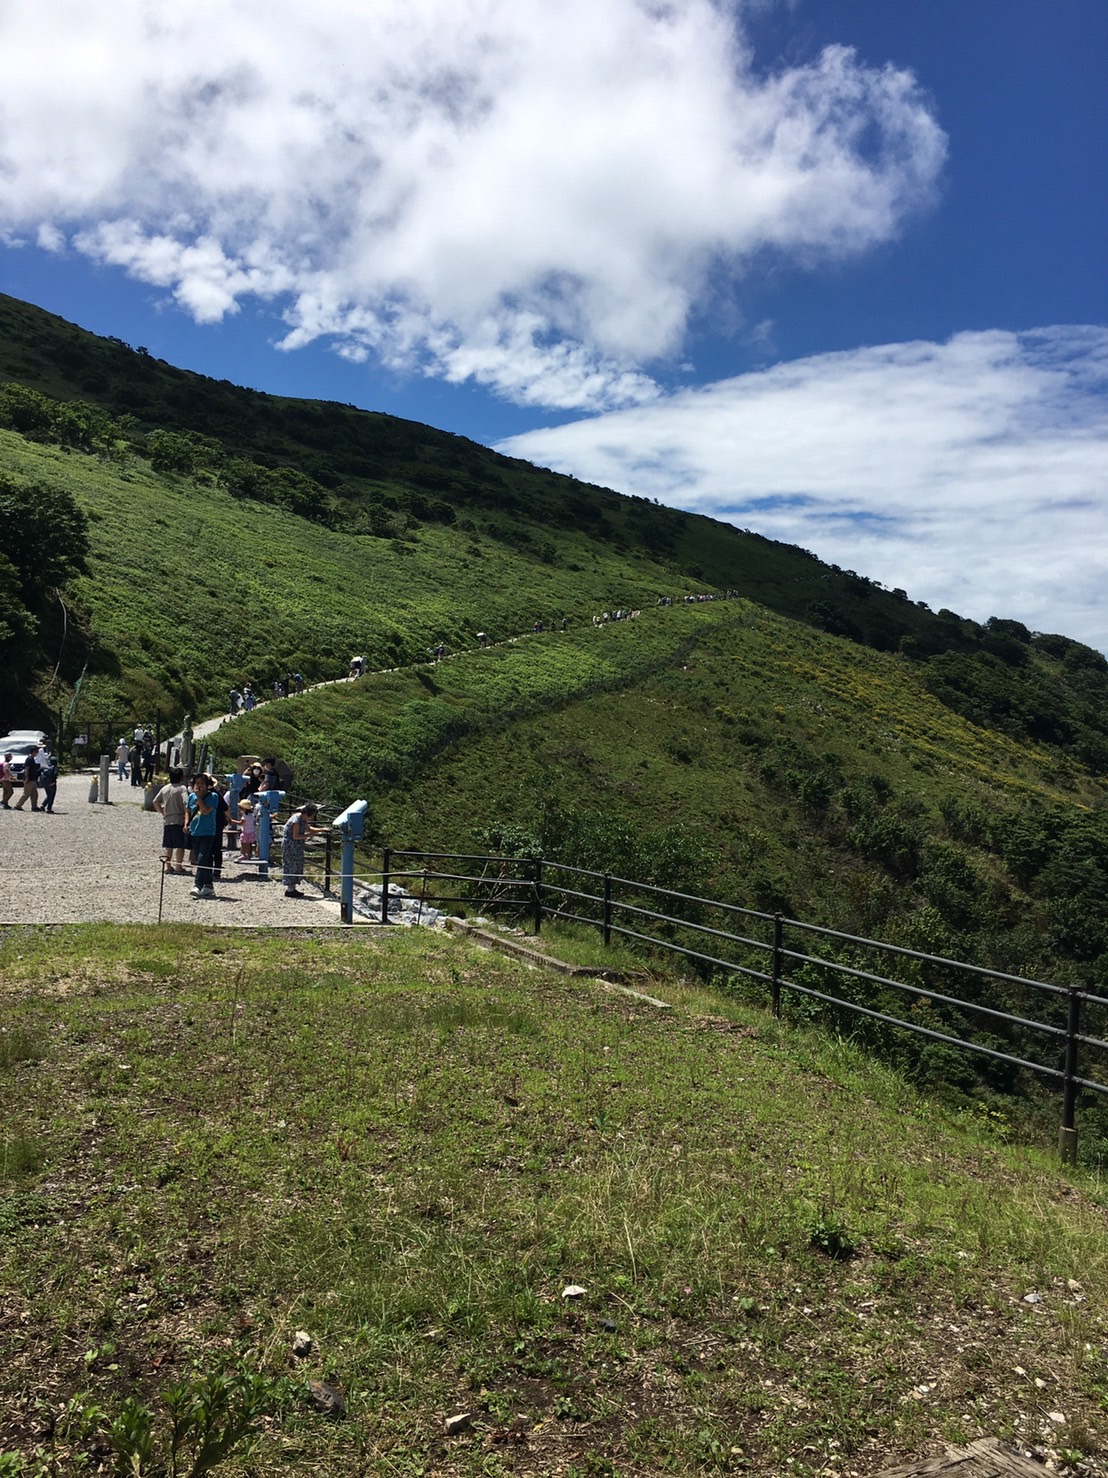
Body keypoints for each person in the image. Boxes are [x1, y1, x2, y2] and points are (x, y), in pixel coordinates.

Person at [281, 802, 326, 898]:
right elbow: (295, 836)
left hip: (297, 846)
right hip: (291, 846)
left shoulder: (302, 819)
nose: (312, 818)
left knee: (297, 865)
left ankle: (292, 888)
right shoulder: (296, 821)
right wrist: (309, 836)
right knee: (291, 865)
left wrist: (322, 829)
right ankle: (290, 890)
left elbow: (309, 829)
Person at [185, 773, 218, 899]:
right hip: (195, 831)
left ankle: (197, 885)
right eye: (197, 784)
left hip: (208, 832)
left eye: (202, 784)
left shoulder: (213, 796)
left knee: (202, 858)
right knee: (205, 859)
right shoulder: (191, 797)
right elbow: (188, 810)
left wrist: (199, 797)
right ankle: (208, 885)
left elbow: (205, 811)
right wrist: (186, 823)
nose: (199, 786)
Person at [154, 766, 189, 872]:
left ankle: (168, 866)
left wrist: (162, 812)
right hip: (179, 818)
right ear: (181, 777)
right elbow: (186, 802)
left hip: (168, 819)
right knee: (180, 845)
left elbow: (155, 801)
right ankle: (179, 866)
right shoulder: (182, 788)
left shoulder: (165, 788)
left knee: (169, 845)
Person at [38, 748, 59, 814]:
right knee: (51, 796)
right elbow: (54, 776)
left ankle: (43, 805)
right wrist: (52, 782)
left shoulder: (46, 767)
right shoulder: (54, 768)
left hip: (45, 783)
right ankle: (49, 808)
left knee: (48, 795)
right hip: (51, 783)